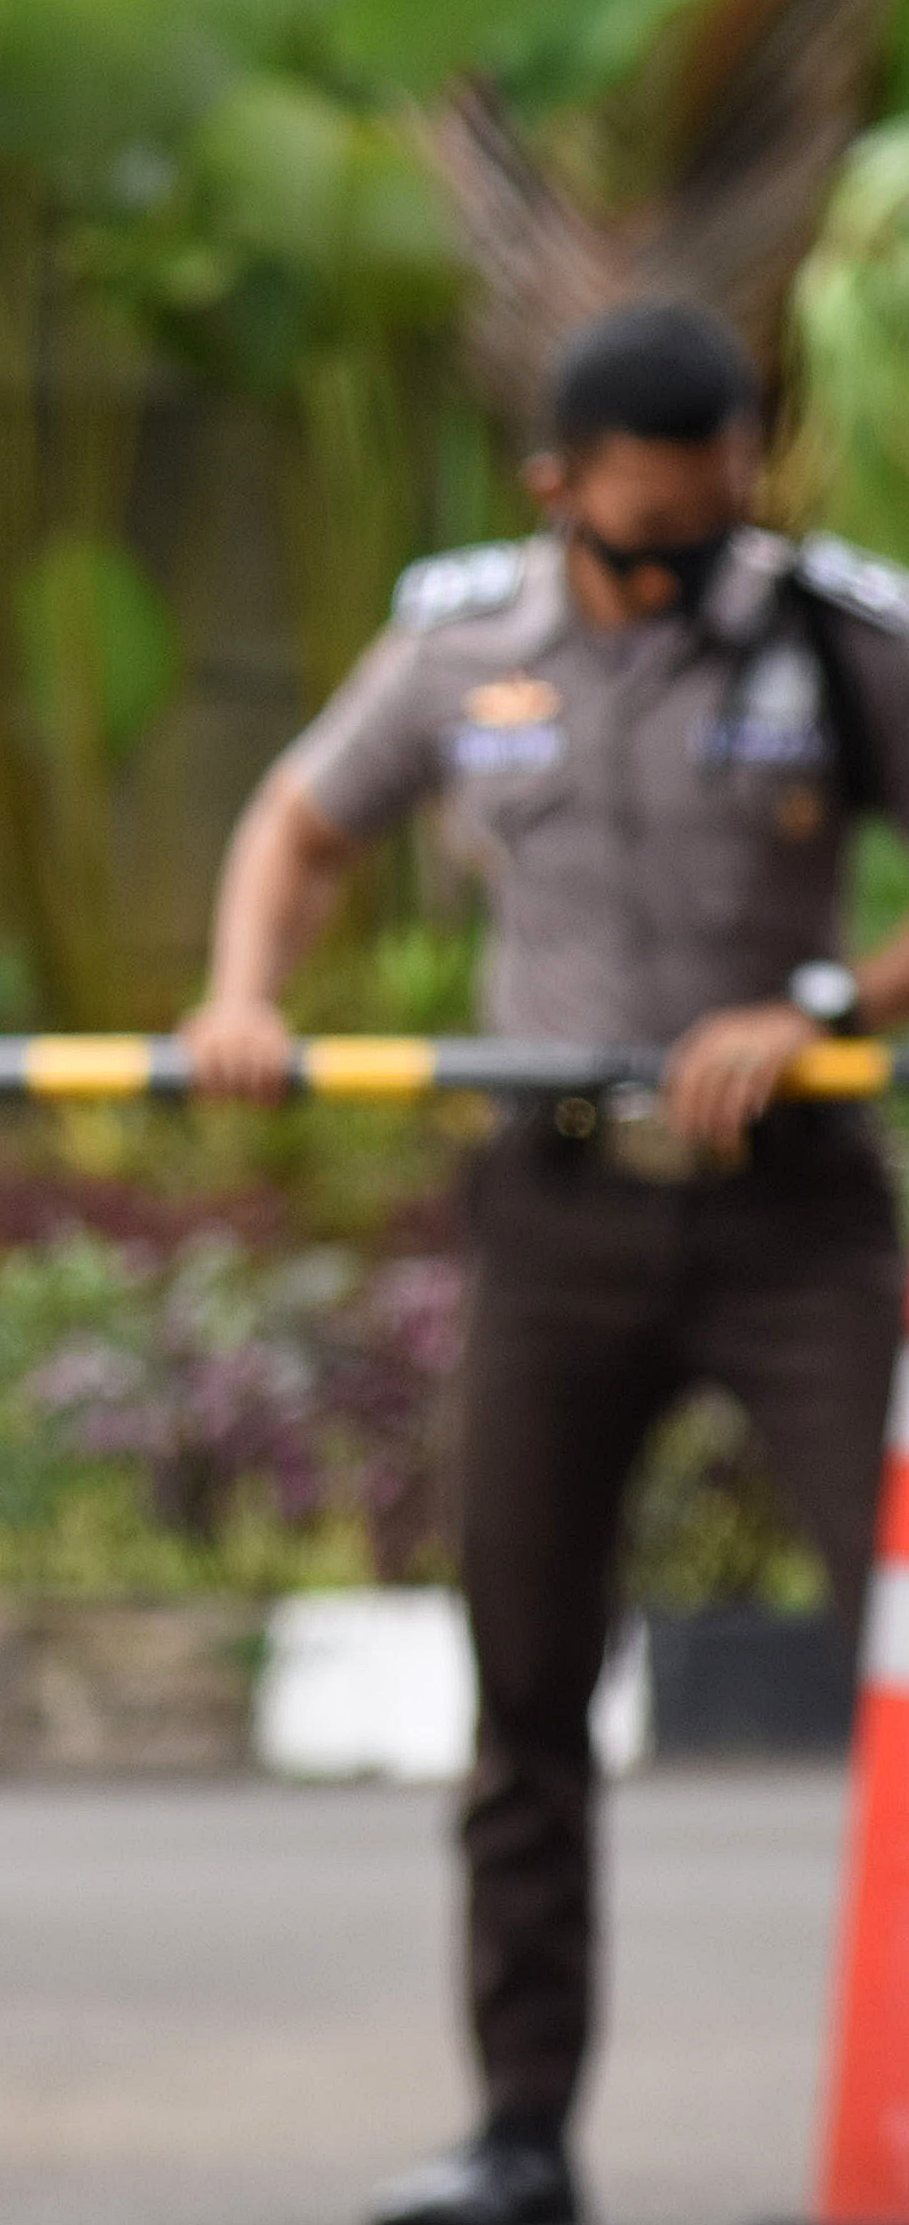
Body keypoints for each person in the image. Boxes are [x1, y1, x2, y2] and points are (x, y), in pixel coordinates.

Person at [183, 298, 909, 2225]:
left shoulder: (833, 633)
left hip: (796, 1217)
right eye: (647, 538)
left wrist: (822, 997)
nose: (686, 569)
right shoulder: (460, 646)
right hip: (560, 1216)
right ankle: (519, 2137)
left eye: (718, 523)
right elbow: (300, 822)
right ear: (558, 492)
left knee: (907, 1642)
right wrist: (243, 996)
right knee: (523, 1692)